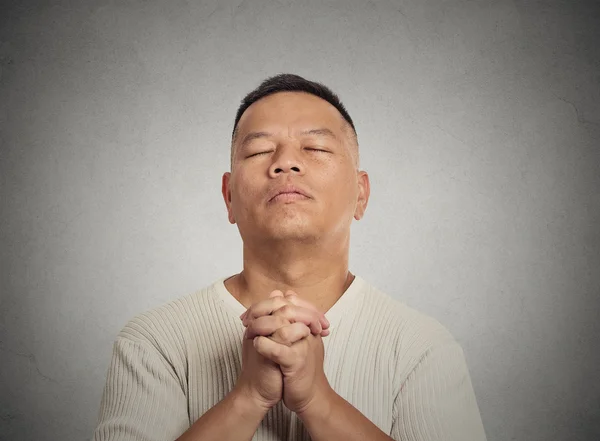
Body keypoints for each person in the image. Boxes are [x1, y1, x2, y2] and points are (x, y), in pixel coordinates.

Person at [92, 74, 487, 441]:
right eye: (261, 150)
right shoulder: (154, 342)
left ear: (361, 194)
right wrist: (247, 398)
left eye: (314, 148)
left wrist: (319, 401)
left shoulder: (422, 347)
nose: (285, 162)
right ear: (229, 197)